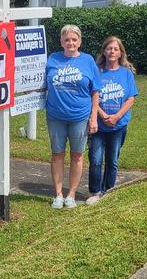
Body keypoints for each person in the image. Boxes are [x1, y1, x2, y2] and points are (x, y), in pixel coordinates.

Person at [44, 24, 101, 209]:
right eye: (67, 39)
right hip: (55, 116)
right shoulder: (52, 59)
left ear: (80, 41)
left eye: (74, 39)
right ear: (61, 41)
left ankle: (71, 195)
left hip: (80, 116)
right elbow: (41, 83)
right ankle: (58, 195)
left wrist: (93, 117)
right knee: (57, 154)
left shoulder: (88, 60)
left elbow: (95, 91)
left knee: (77, 155)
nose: (70, 43)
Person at [85, 36, 138, 206]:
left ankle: (109, 190)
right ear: (104, 51)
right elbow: (91, 95)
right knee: (95, 160)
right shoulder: (97, 71)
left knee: (112, 160)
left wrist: (116, 116)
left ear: (120, 52)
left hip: (118, 125)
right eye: (109, 48)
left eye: (115, 49)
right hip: (99, 125)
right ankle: (95, 191)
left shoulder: (126, 73)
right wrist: (101, 114)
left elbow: (130, 98)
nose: (112, 52)